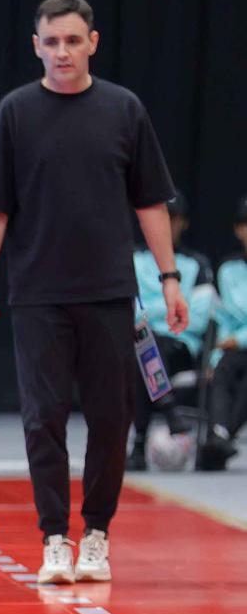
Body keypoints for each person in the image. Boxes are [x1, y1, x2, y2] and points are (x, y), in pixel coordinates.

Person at [0, 0, 189, 585]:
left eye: (72, 40)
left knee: (112, 418)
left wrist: (169, 279)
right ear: (35, 46)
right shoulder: (15, 112)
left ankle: (96, 534)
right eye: (51, 42)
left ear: (92, 42)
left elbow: (150, 202)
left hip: (110, 292)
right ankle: (53, 539)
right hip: (37, 293)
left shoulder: (123, 109)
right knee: (43, 418)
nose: (62, 51)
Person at [128, 191, 216, 470]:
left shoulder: (198, 265)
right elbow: (128, 311)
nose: (167, 224)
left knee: (146, 347)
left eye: (173, 218)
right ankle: (168, 408)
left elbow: (198, 319)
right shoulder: (133, 259)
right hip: (139, 340)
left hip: (180, 345)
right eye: (161, 217)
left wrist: (151, 311)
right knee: (144, 343)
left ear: (184, 223)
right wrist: (172, 308)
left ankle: (139, 444)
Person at [199, 197, 247, 470]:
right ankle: (220, 436)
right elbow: (222, 317)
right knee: (222, 370)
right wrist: (213, 357)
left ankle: (219, 438)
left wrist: (239, 338)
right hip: (231, 350)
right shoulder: (228, 270)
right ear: (238, 230)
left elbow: (234, 329)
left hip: (237, 343)